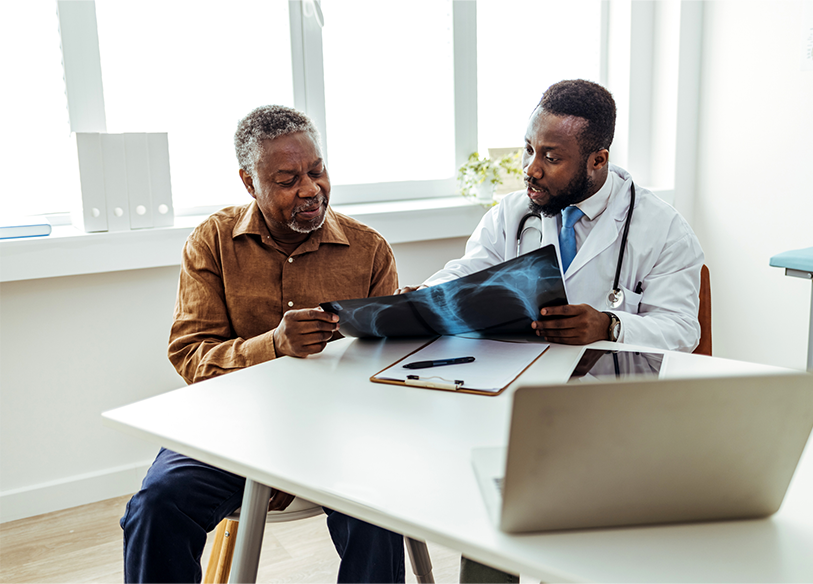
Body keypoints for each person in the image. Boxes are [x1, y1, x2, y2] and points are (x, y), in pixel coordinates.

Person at [120, 105, 405, 583]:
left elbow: (387, 363)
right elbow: (191, 355)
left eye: (317, 171)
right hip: (227, 429)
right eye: (288, 179)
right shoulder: (212, 241)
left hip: (339, 432)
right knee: (156, 506)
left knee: (378, 511)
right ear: (250, 183)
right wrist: (273, 344)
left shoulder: (369, 249)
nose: (312, 189)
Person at [402, 79, 704, 353]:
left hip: (609, 392)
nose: (530, 169)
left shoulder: (664, 229)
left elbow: (681, 328)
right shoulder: (512, 213)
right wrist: (428, 293)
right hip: (520, 377)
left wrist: (609, 325)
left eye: (551, 158)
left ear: (598, 160)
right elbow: (469, 273)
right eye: (528, 149)